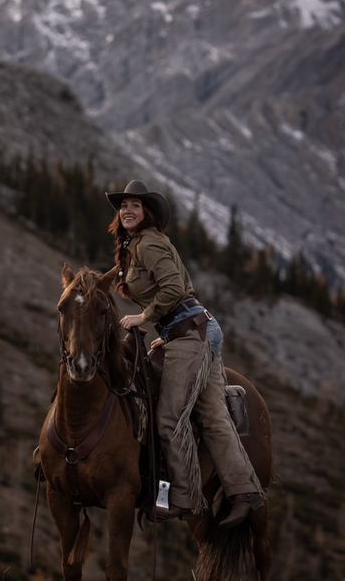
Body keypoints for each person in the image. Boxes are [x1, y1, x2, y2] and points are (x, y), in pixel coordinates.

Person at [106, 179, 264, 527]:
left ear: (147, 213)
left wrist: (145, 317)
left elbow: (174, 288)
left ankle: (182, 498)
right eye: (123, 205)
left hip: (188, 332)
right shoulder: (142, 245)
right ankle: (244, 492)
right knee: (214, 417)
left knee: (169, 418)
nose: (128, 210)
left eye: (135, 204)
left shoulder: (147, 243)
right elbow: (178, 291)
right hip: (196, 328)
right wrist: (166, 331)